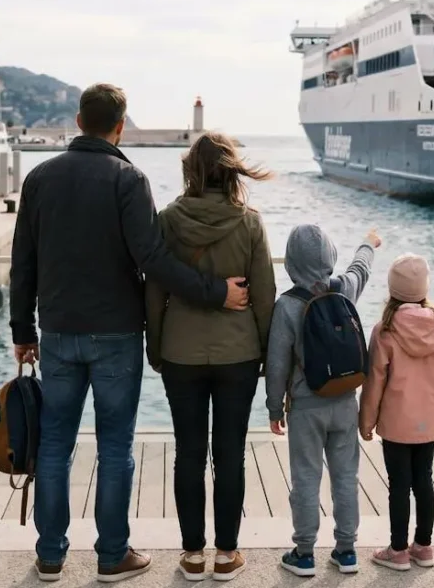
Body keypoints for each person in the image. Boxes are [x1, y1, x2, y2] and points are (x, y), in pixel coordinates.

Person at [10, 83, 251, 584]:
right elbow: (154, 261)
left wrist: (22, 328)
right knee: (114, 447)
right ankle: (111, 555)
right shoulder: (129, 180)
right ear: (121, 126)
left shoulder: (39, 179)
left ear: (78, 121)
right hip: (117, 333)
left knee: (54, 445)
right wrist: (215, 293)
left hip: (56, 331)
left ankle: (51, 555)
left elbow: (23, 263)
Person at [144, 132, 275, 582]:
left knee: (189, 454)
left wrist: (156, 347)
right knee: (230, 455)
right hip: (238, 354)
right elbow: (264, 296)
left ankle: (192, 555)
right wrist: (264, 353)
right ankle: (227, 555)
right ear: (231, 171)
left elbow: (154, 290)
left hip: (180, 352)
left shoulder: (167, 220)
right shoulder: (250, 223)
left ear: (190, 170)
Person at [265, 224, 379, 577]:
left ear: (291, 264)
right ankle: (346, 551)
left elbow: (277, 363)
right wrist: (368, 243)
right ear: (330, 257)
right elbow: (361, 269)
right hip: (345, 401)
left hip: (305, 406)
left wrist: (273, 407)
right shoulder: (343, 290)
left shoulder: (286, 305)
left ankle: (304, 554)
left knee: (306, 478)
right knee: (346, 477)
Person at [359, 254, 434, 572]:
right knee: (423, 480)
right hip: (428, 421)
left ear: (393, 288)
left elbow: (374, 382)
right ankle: (423, 547)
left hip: (396, 423)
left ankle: (397, 550)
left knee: (399, 484)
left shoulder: (384, 331)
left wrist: (366, 420)